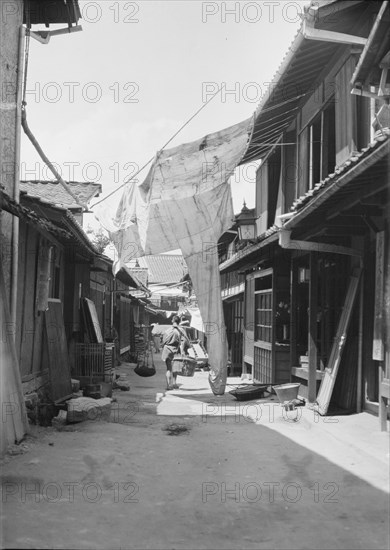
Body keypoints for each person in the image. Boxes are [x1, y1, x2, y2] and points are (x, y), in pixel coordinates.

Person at [161, 315, 190, 390]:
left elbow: (163, 341)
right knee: (175, 367)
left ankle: (168, 386)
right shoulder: (181, 330)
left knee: (168, 368)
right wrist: (184, 350)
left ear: (172, 321)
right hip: (176, 349)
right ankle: (174, 383)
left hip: (167, 349)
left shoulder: (167, 330)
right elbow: (185, 341)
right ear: (179, 321)